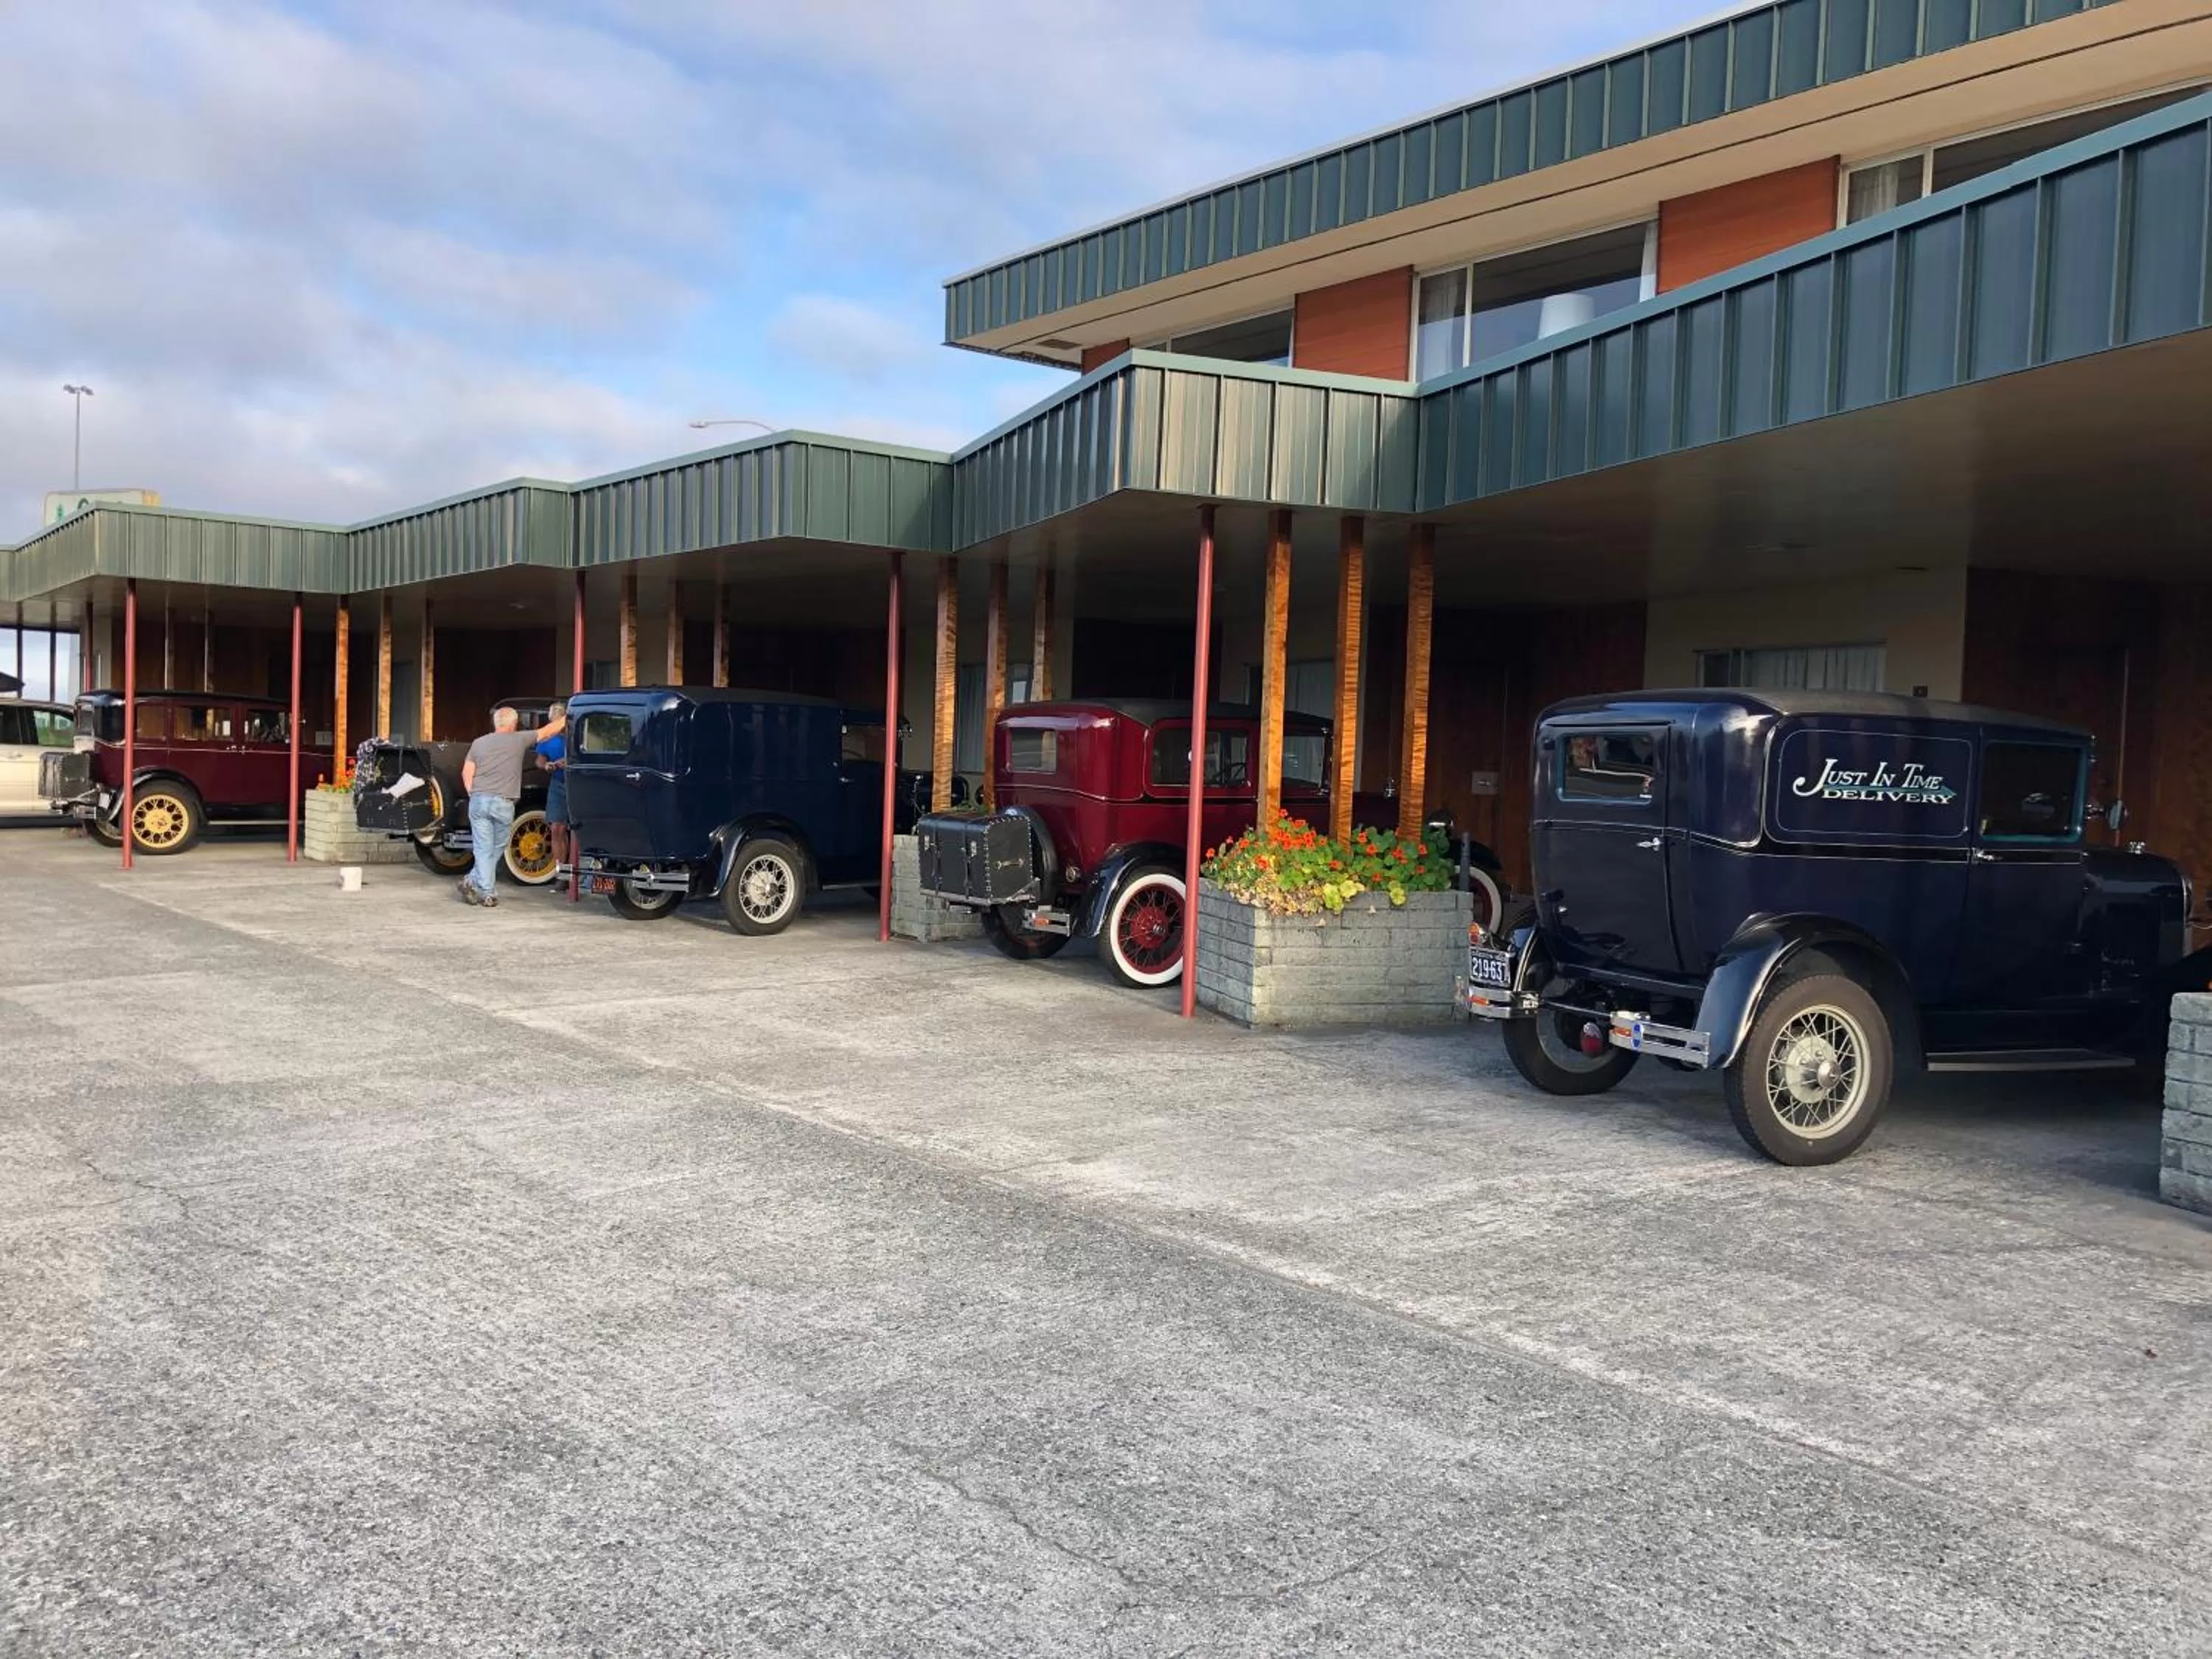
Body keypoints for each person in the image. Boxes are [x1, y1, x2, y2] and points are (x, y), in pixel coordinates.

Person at [458, 704, 564, 908]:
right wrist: (568, 716)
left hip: (479, 800)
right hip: (503, 803)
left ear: (496, 723)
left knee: (484, 849)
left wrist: (474, 794)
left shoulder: (478, 743)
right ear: (514, 723)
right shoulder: (518, 739)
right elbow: (547, 731)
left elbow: (466, 772)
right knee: (495, 848)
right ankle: (488, 893)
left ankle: (471, 881)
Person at [537, 700, 571, 894]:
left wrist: (567, 761)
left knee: (574, 830)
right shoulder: (546, 739)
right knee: (557, 828)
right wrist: (547, 765)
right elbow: (539, 761)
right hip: (557, 783)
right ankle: (561, 874)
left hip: (574, 782)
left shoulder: (573, 736)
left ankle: (575, 872)